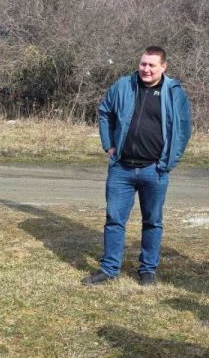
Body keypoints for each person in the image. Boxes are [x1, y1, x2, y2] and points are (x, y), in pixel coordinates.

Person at [82, 46, 192, 286]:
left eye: (152, 65)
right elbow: (105, 112)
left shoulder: (174, 93)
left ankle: (148, 270)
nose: (146, 69)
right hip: (121, 168)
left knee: (152, 221)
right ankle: (109, 268)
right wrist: (109, 145)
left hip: (155, 170)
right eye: (143, 64)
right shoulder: (123, 86)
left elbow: (183, 130)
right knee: (114, 219)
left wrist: (170, 160)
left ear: (163, 67)